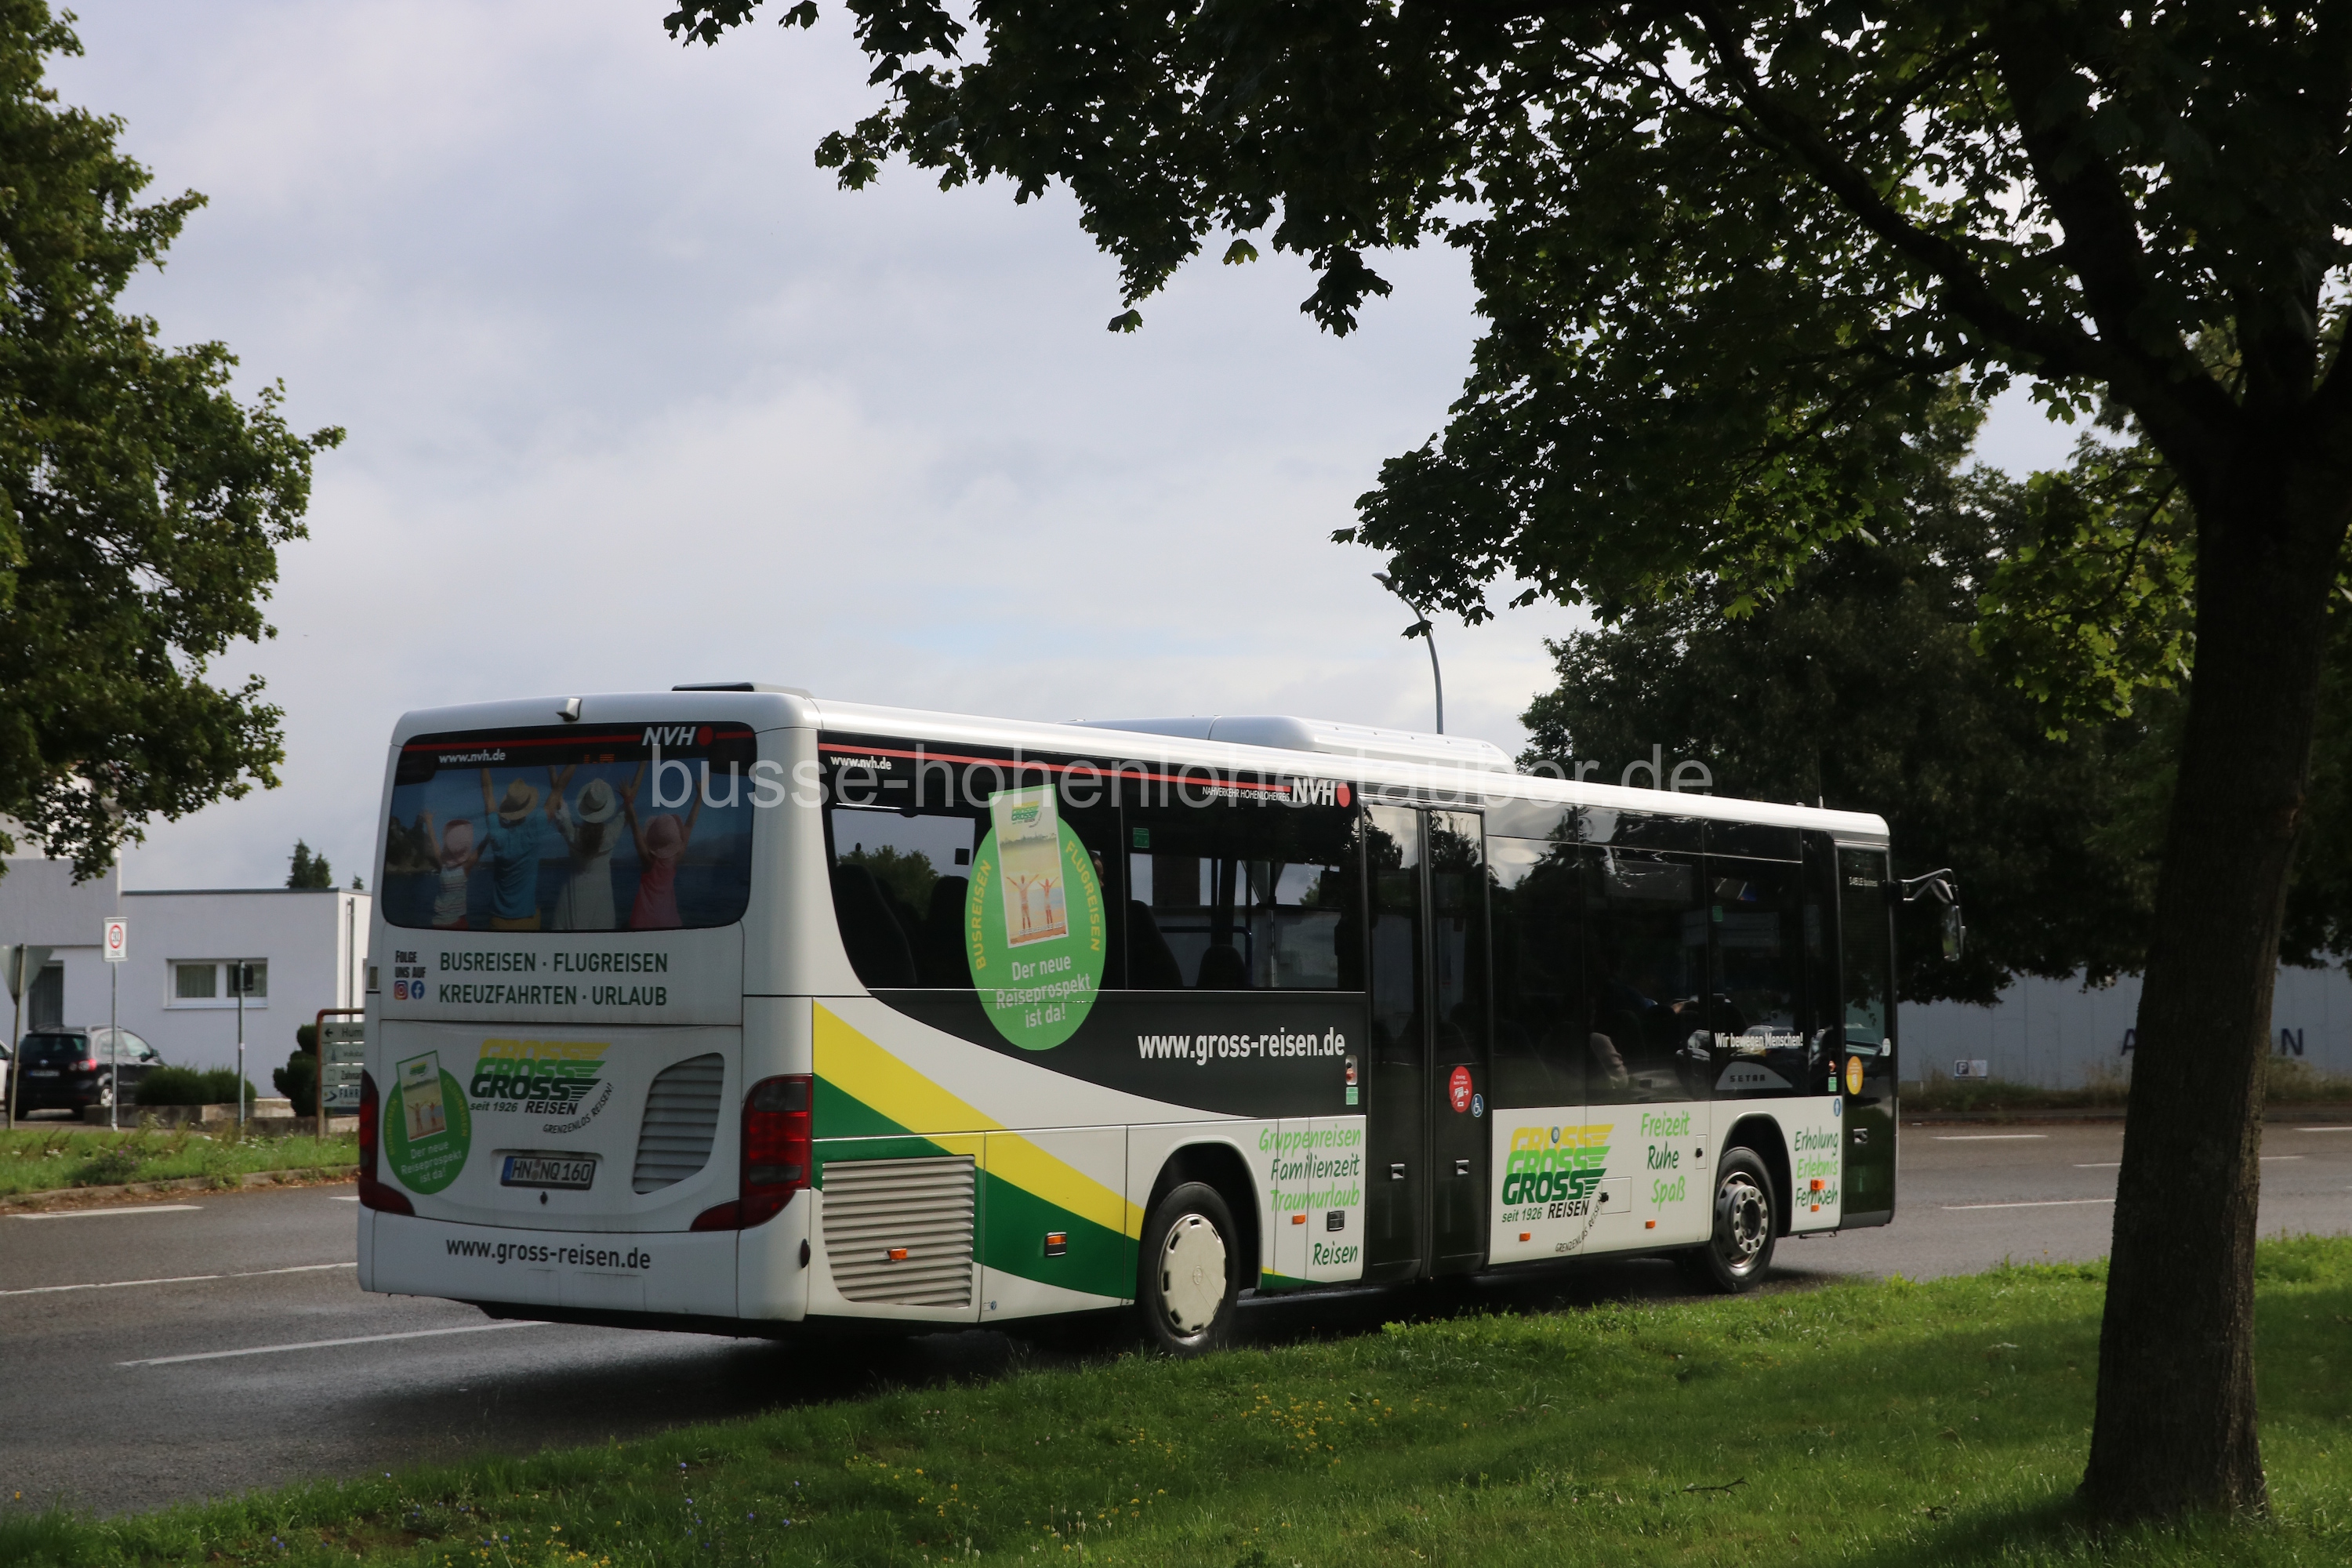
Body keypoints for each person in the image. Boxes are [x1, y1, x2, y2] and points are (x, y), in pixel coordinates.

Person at [622, 764, 700, 931]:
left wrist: (628, 800)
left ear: (652, 839)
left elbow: (635, 825)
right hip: (668, 920)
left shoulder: (647, 860)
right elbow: (690, 824)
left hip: (641, 920)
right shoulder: (676, 857)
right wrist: (699, 797)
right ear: (674, 840)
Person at [547, 769, 622, 931]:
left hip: (570, 906)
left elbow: (558, 799)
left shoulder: (573, 835)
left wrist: (551, 769)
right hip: (602, 910)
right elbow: (626, 810)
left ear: (584, 807)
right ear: (605, 808)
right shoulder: (611, 835)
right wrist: (642, 766)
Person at [477, 772, 548, 931]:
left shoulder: (497, 834)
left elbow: (487, 793)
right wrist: (552, 770)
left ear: (508, 806)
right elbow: (557, 792)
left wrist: (483, 764)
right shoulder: (534, 830)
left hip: (499, 921)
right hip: (528, 920)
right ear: (528, 806)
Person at [419, 813, 478, 930]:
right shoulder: (465, 869)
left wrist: (429, 822)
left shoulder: (443, 867)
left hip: (439, 922)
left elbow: (435, 845)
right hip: (459, 922)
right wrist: (488, 836)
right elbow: (479, 850)